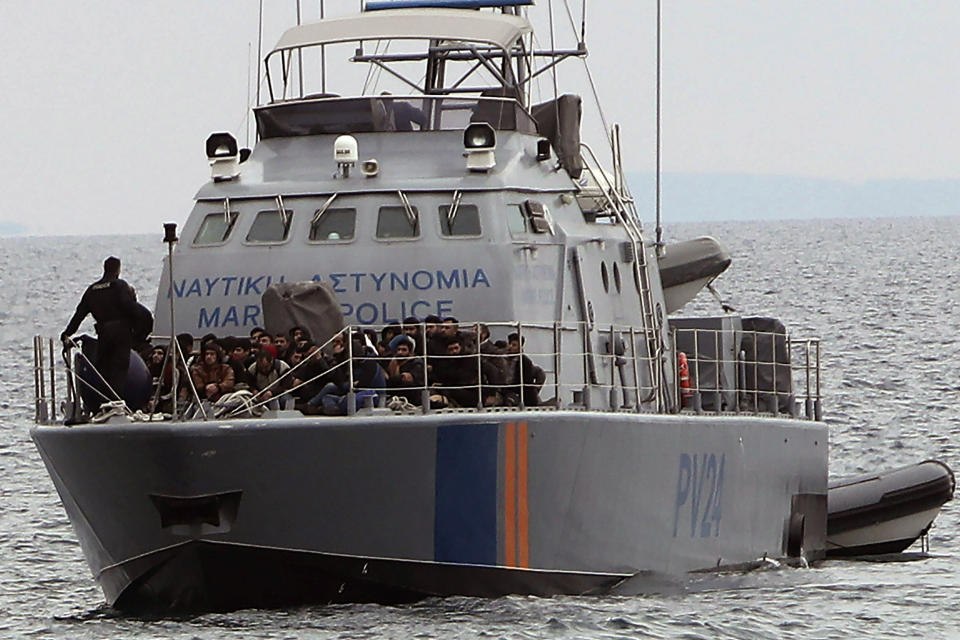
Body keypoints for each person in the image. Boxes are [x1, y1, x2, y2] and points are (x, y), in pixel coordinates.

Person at [61, 256, 146, 409]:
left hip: (104, 334)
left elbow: (79, 314)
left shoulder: (92, 290)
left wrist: (67, 333)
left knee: (103, 370)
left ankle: (103, 404)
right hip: (121, 333)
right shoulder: (119, 286)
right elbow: (130, 307)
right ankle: (116, 405)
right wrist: (142, 325)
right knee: (119, 369)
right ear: (118, 270)